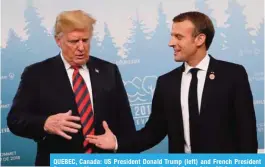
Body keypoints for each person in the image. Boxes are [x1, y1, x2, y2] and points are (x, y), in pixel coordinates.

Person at [86, 11, 258, 153]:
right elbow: (152, 133)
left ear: (199, 39)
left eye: (178, 37)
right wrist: (117, 143)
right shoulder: (167, 83)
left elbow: (247, 133)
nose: (171, 43)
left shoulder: (233, 75)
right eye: (172, 36)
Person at [7, 10, 136, 166]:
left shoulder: (109, 70)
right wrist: (45, 123)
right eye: (74, 41)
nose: (81, 47)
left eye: (85, 40)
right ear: (58, 41)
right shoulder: (36, 74)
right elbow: (15, 119)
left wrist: (119, 145)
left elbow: (127, 125)